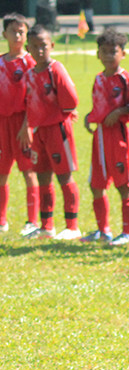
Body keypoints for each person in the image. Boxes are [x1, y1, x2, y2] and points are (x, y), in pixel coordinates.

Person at [23, 24, 81, 240]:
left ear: (52, 46)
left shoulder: (55, 69)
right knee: (43, 177)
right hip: (39, 132)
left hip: (57, 129)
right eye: (35, 46)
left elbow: (71, 100)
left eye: (44, 46)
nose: (40, 51)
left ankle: (72, 226)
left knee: (64, 176)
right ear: (28, 48)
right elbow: (29, 103)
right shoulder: (30, 74)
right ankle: (47, 226)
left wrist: (61, 115)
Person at [81, 28, 129, 245]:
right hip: (100, 138)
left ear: (122, 53)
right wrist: (90, 116)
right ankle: (103, 230)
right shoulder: (98, 78)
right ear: (97, 54)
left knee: (123, 185)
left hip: (119, 137)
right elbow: (99, 105)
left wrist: (120, 112)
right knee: (96, 184)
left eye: (113, 51)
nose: (108, 56)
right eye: (103, 51)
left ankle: (128, 232)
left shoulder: (126, 79)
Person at [0, 13, 39, 235]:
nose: (17, 35)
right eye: (13, 31)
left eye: (21, 32)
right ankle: (1, 220)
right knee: (1, 173)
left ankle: (32, 221)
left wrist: (28, 124)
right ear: (4, 34)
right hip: (1, 123)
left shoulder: (29, 63)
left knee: (28, 170)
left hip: (23, 124)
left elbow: (33, 97)